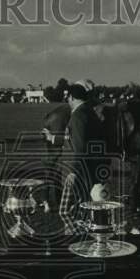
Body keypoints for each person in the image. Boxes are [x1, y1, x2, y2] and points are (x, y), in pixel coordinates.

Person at [59, 82, 109, 230]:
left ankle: (77, 236)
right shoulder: (89, 112)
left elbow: (80, 147)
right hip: (91, 170)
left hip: (78, 170)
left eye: (68, 97)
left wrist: (74, 171)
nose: (67, 100)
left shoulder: (78, 116)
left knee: (64, 211)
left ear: (72, 97)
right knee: (82, 208)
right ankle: (81, 236)